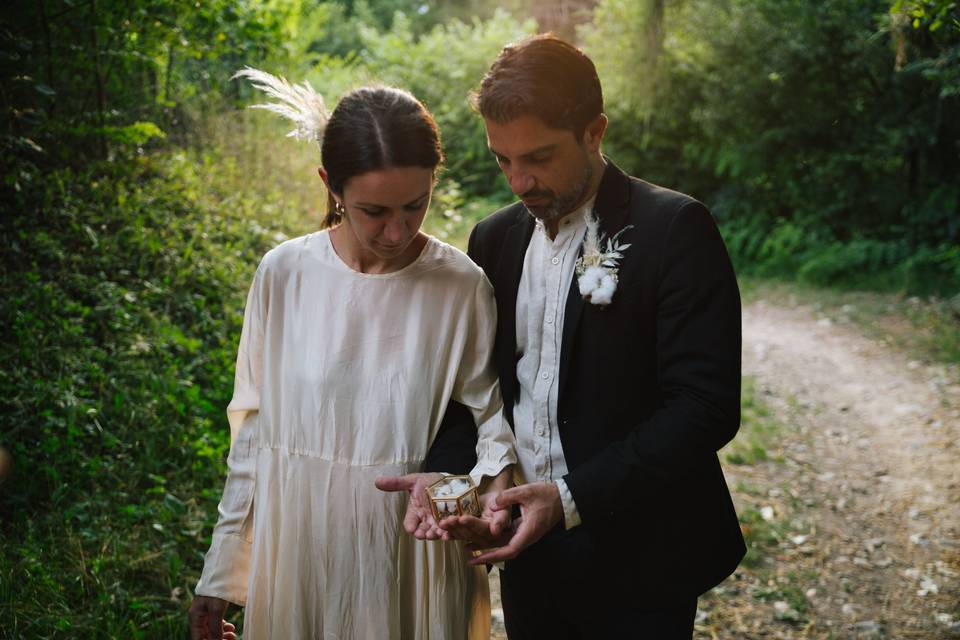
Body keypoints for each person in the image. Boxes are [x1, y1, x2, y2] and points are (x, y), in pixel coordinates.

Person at [434, 34, 746, 638]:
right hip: (528, 556)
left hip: (643, 556)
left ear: (594, 132)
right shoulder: (492, 239)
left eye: (539, 157)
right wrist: (464, 484)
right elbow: (479, 386)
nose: (518, 181)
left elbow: (705, 407)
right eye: (502, 159)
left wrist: (570, 498)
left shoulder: (675, 228)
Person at [187, 69, 516, 640]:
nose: (398, 231)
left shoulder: (461, 286)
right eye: (374, 212)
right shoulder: (283, 274)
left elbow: (492, 428)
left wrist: (454, 498)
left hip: (411, 559)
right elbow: (254, 437)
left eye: (416, 205)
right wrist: (221, 576)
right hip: (300, 552)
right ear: (330, 186)